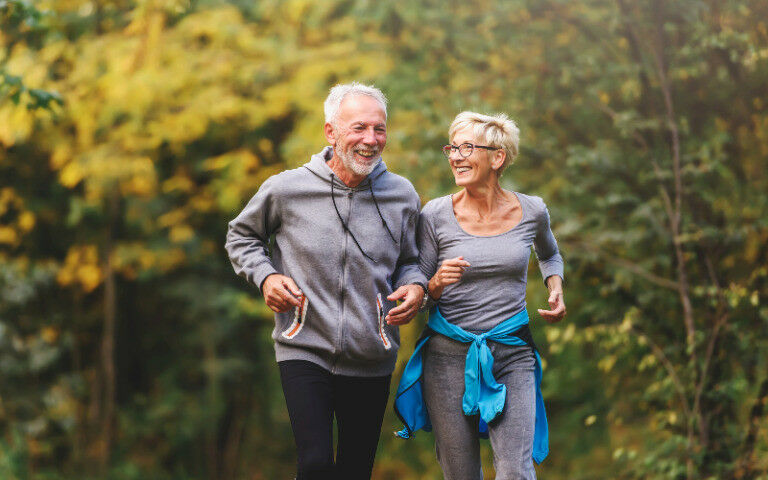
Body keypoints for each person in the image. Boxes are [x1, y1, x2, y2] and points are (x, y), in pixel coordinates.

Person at [225, 82, 426, 480]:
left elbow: (413, 259)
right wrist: (266, 278)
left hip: (373, 352)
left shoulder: (402, 195)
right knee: (315, 463)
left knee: (354, 470)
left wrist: (417, 287)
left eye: (379, 129)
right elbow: (241, 236)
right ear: (331, 132)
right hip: (304, 345)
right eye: (359, 128)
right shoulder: (287, 189)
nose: (371, 139)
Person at [394, 111, 566, 479]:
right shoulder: (435, 214)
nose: (455, 156)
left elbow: (549, 253)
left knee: (515, 470)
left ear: (497, 157)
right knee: (461, 473)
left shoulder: (532, 210)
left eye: (467, 147)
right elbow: (420, 289)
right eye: (452, 148)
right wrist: (437, 282)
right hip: (447, 358)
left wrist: (556, 286)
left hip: (512, 353)